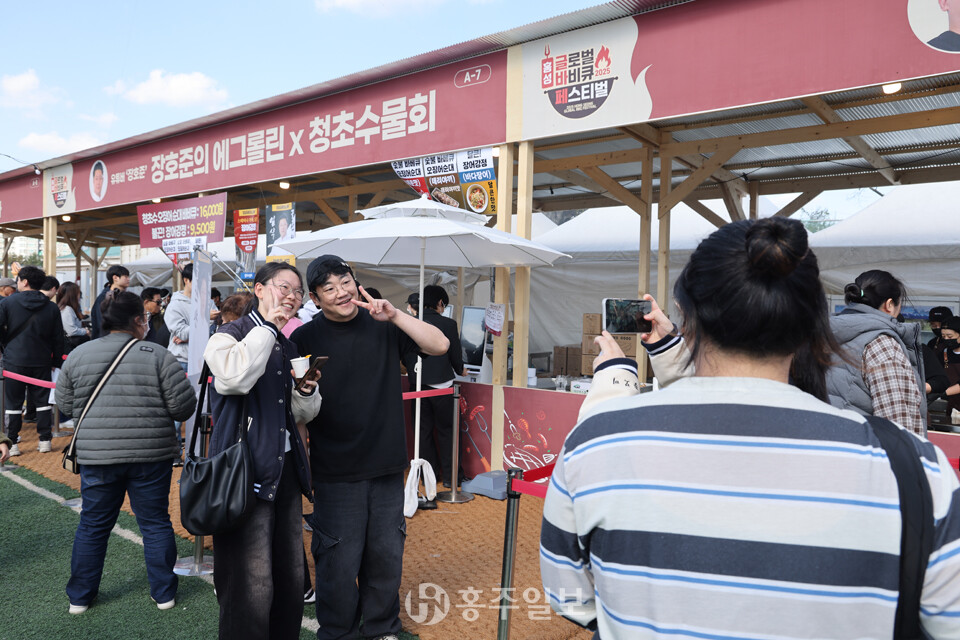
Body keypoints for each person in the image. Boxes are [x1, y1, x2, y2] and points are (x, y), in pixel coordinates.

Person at [541, 217, 960, 639]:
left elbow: (571, 599)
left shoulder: (593, 446)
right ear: (815, 324)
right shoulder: (917, 468)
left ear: (687, 314)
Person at [290, 255, 448, 640]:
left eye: (345, 282)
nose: (341, 292)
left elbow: (440, 345)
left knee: (385, 556)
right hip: (334, 470)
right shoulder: (303, 339)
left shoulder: (385, 325)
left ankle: (381, 627)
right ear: (315, 298)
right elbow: (298, 408)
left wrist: (396, 315)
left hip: (387, 464)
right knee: (337, 560)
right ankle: (338, 631)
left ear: (355, 282)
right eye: (329, 288)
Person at [56, 290, 195, 615]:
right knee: (155, 523)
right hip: (152, 455)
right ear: (137, 320)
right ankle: (164, 594)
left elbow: (64, 405)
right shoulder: (159, 355)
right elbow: (183, 407)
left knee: (93, 525)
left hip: (97, 456)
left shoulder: (79, 354)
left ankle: (80, 598)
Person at [204, 262, 322, 640]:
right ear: (259, 289)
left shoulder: (288, 345)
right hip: (242, 474)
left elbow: (299, 414)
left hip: (283, 470)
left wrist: (306, 391)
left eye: (298, 292)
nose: (292, 296)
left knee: (289, 576)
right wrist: (269, 328)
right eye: (284, 287)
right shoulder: (228, 333)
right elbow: (234, 378)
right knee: (248, 581)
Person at [825, 270, 926, 435]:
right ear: (889, 304)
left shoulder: (826, 334)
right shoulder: (881, 344)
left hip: (829, 439)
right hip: (865, 446)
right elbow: (895, 427)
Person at [0, 265, 65, 456]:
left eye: (18, 280)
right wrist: (56, 361)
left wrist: (6, 346)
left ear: (25, 281)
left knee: (13, 403)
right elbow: (58, 338)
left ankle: (13, 443)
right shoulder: (51, 307)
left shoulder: (8, 303)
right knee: (43, 402)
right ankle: (45, 440)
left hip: (14, 360)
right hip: (42, 360)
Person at [411, 285, 466, 488]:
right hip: (443, 385)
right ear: (440, 303)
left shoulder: (412, 323)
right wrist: (461, 370)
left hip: (417, 385)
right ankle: (452, 478)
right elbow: (455, 356)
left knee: (422, 433)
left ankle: (429, 477)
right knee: (448, 432)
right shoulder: (448, 324)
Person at [164, 263, 194, 372]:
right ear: (186, 280)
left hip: (203, 359)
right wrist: (204, 318)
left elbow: (213, 330)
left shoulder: (208, 302)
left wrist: (189, 338)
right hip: (182, 361)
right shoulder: (175, 305)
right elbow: (182, 334)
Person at [91, 265, 130, 339]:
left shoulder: (121, 296)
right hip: (107, 340)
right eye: (126, 276)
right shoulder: (104, 298)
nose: (129, 279)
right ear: (115, 278)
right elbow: (103, 324)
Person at [58, 282, 90, 354]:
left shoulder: (66, 308)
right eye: (78, 293)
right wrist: (85, 331)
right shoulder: (67, 310)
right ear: (73, 295)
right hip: (70, 346)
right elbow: (71, 331)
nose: (79, 296)